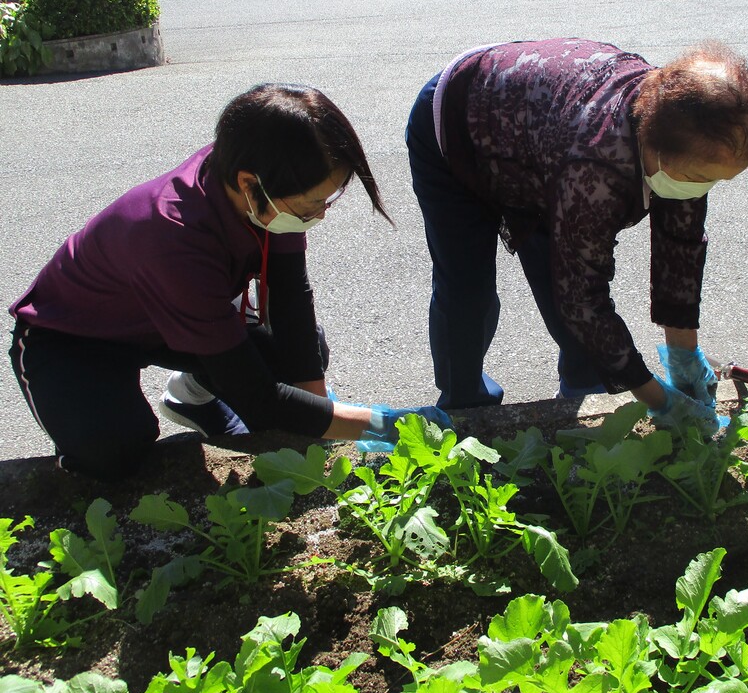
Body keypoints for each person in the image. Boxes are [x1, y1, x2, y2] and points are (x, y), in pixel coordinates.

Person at [9, 83, 448, 481]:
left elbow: (291, 296)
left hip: (172, 320)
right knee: (116, 453)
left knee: (303, 350)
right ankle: (92, 444)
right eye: (314, 202)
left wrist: (316, 421)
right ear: (249, 185)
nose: (321, 213)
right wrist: (377, 423)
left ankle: (193, 395)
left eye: (329, 198)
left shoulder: (261, 177)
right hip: (74, 338)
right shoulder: (171, 237)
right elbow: (261, 399)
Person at [406, 38, 748, 423]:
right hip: (458, 122)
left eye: (717, 181)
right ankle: (464, 406)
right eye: (701, 178)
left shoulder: (683, 131)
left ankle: (583, 394)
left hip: (540, 140)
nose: (703, 189)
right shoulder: (595, 169)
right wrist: (656, 398)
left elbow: (680, 246)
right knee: (468, 287)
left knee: (566, 295)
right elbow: (584, 298)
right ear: (655, 146)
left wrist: (683, 355)